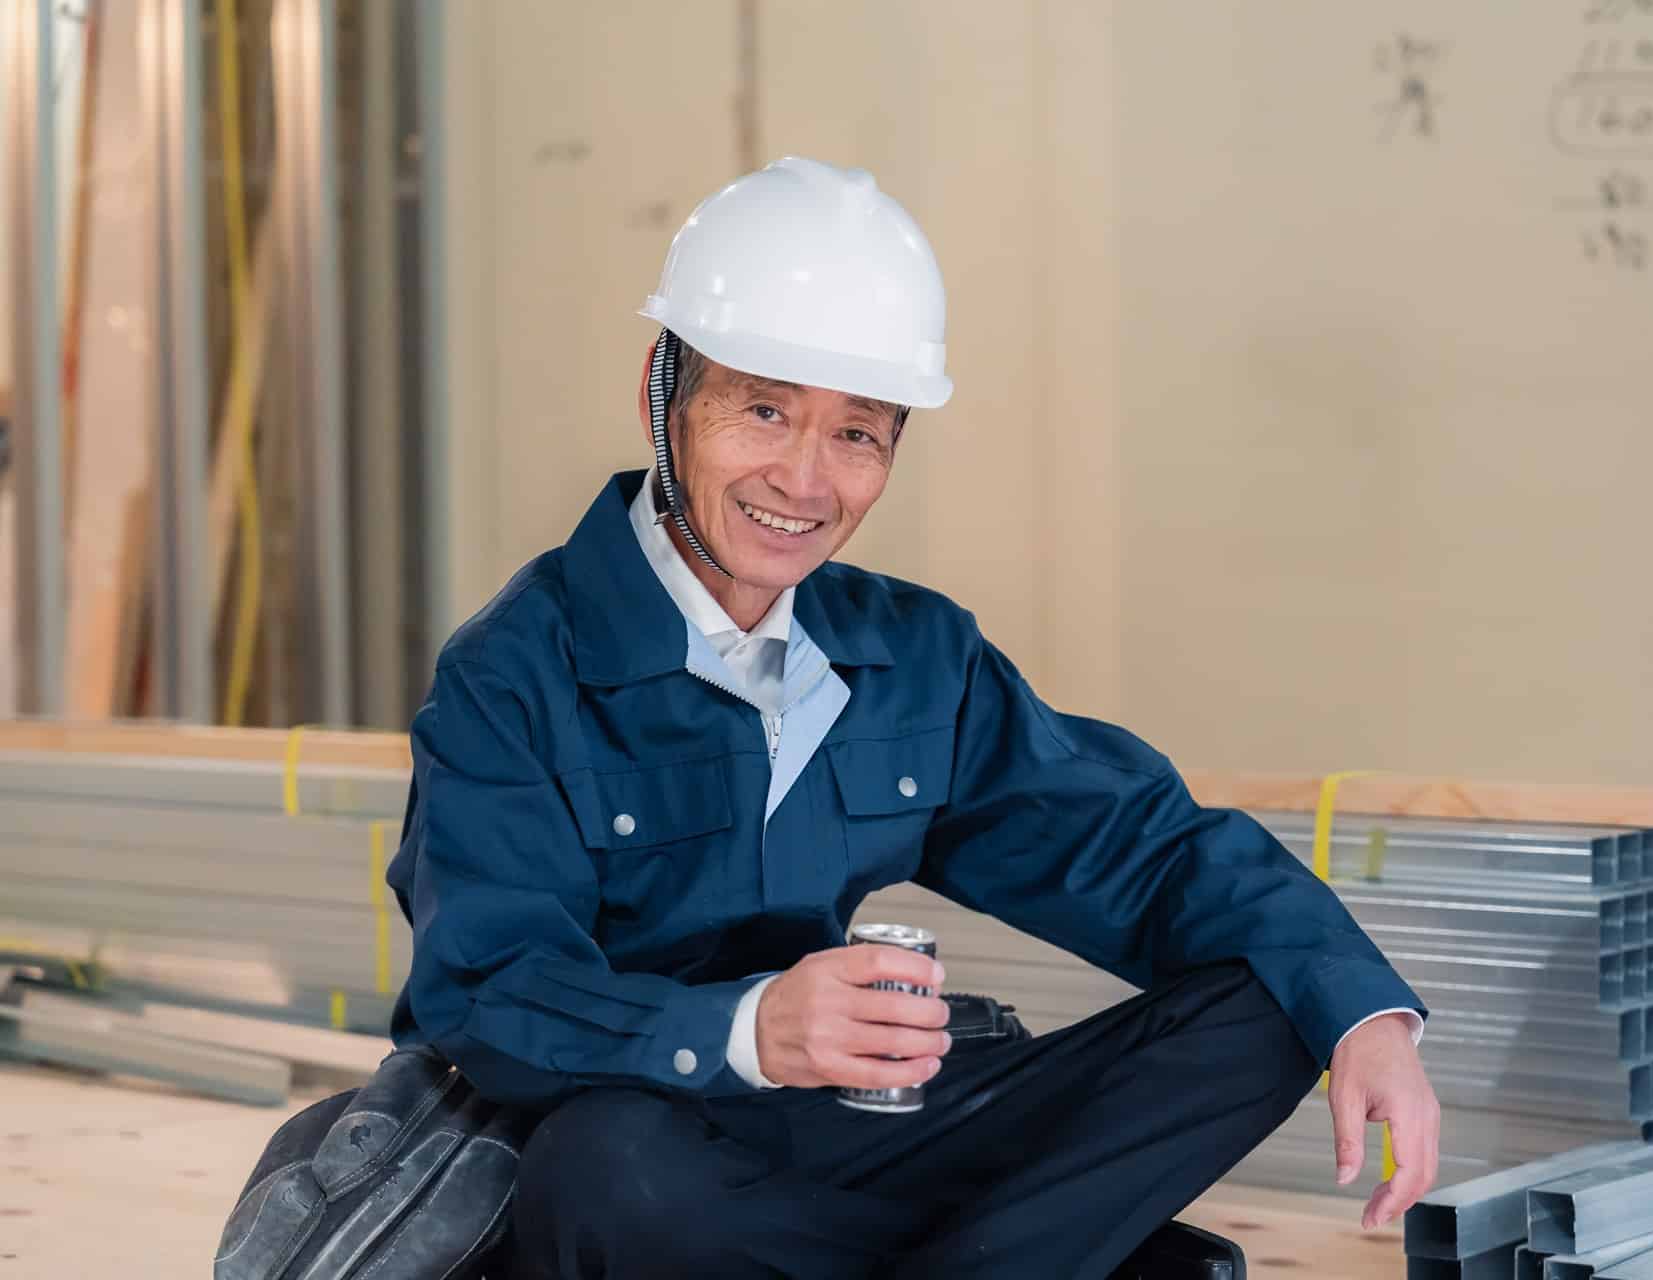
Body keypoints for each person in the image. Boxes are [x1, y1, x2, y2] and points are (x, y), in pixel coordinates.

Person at [385, 156, 1439, 1280]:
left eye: (857, 432)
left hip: (842, 1132)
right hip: (645, 1138)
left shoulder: (914, 658)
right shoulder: (517, 672)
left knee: (1273, 995)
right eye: (763, 409)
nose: (803, 478)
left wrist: (1362, 1013)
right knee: (610, 1164)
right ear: (665, 389)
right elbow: (490, 991)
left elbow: (1144, 847)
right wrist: (748, 1028)